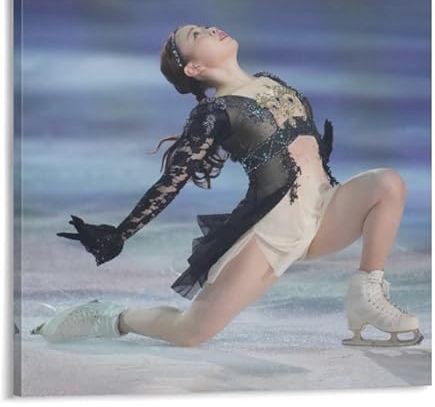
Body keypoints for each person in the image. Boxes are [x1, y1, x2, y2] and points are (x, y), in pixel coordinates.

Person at [30, 24, 423, 348]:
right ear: (194, 67)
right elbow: (173, 179)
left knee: (387, 184)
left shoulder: (270, 81)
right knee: (191, 333)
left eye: (203, 26)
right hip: (271, 233)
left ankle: (366, 295)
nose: (209, 29)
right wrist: (121, 233)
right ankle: (113, 317)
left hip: (323, 212)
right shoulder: (215, 112)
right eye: (195, 34)